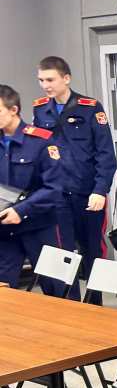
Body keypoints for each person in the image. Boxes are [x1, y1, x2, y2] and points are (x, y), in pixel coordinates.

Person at [33, 56, 115, 303]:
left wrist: (100, 190)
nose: (45, 85)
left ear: (66, 78)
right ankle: (71, 306)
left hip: (87, 193)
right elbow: (40, 149)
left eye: (50, 79)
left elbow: (105, 154)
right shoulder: (40, 108)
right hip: (58, 194)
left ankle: (94, 306)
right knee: (63, 254)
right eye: (41, 80)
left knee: (92, 250)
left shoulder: (90, 108)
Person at [0, 85, 64, 294]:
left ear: (14, 109)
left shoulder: (40, 141)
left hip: (38, 226)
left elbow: (55, 188)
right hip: (4, 229)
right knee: (4, 290)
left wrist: (21, 210)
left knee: (54, 289)